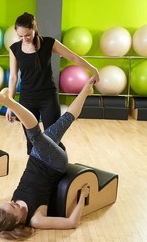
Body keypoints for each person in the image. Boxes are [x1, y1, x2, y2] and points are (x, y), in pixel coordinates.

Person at [0, 78, 94, 242]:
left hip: (37, 155)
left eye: (9, 202)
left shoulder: (13, 206)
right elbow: (72, 223)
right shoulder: (36, 219)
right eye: (13, 206)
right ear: (17, 220)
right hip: (55, 164)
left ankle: (86, 91)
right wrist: (82, 196)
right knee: (35, 135)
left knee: (64, 121)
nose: (14, 202)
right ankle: (9, 103)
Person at [7, 12, 100, 154]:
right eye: (20, 36)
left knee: (54, 137)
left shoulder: (49, 43)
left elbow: (72, 57)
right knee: (31, 140)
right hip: (27, 99)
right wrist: (10, 104)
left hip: (48, 98)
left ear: (34, 29)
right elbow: (13, 77)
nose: (24, 39)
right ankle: (36, 172)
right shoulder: (14, 49)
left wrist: (93, 69)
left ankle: (59, 167)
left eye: (27, 35)